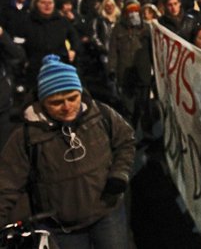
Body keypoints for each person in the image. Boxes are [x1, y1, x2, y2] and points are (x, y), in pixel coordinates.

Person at [0, 54, 135, 248]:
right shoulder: (26, 136)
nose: (67, 107)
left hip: (107, 216)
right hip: (62, 229)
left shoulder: (102, 114)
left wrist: (119, 173)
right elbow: (7, 184)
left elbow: (126, 141)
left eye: (73, 98)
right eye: (56, 102)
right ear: (42, 100)